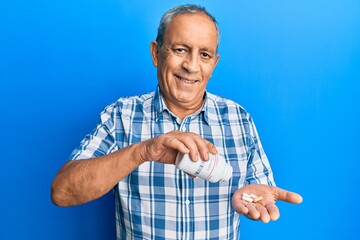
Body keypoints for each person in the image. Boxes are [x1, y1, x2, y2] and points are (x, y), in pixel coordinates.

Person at [51, 4, 302, 239]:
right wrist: (142, 151)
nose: (191, 66)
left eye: (204, 54)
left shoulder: (238, 119)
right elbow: (62, 192)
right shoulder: (121, 116)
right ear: (156, 54)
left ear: (214, 64)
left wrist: (253, 195)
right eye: (181, 49)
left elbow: (260, 189)